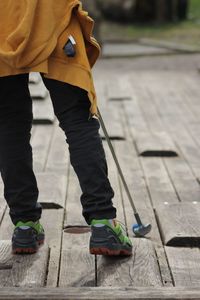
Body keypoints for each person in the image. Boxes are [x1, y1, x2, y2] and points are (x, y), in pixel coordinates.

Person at [0, 0, 132, 256]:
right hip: (52, 15)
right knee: (77, 120)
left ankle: (25, 225)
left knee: (9, 126)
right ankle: (103, 221)